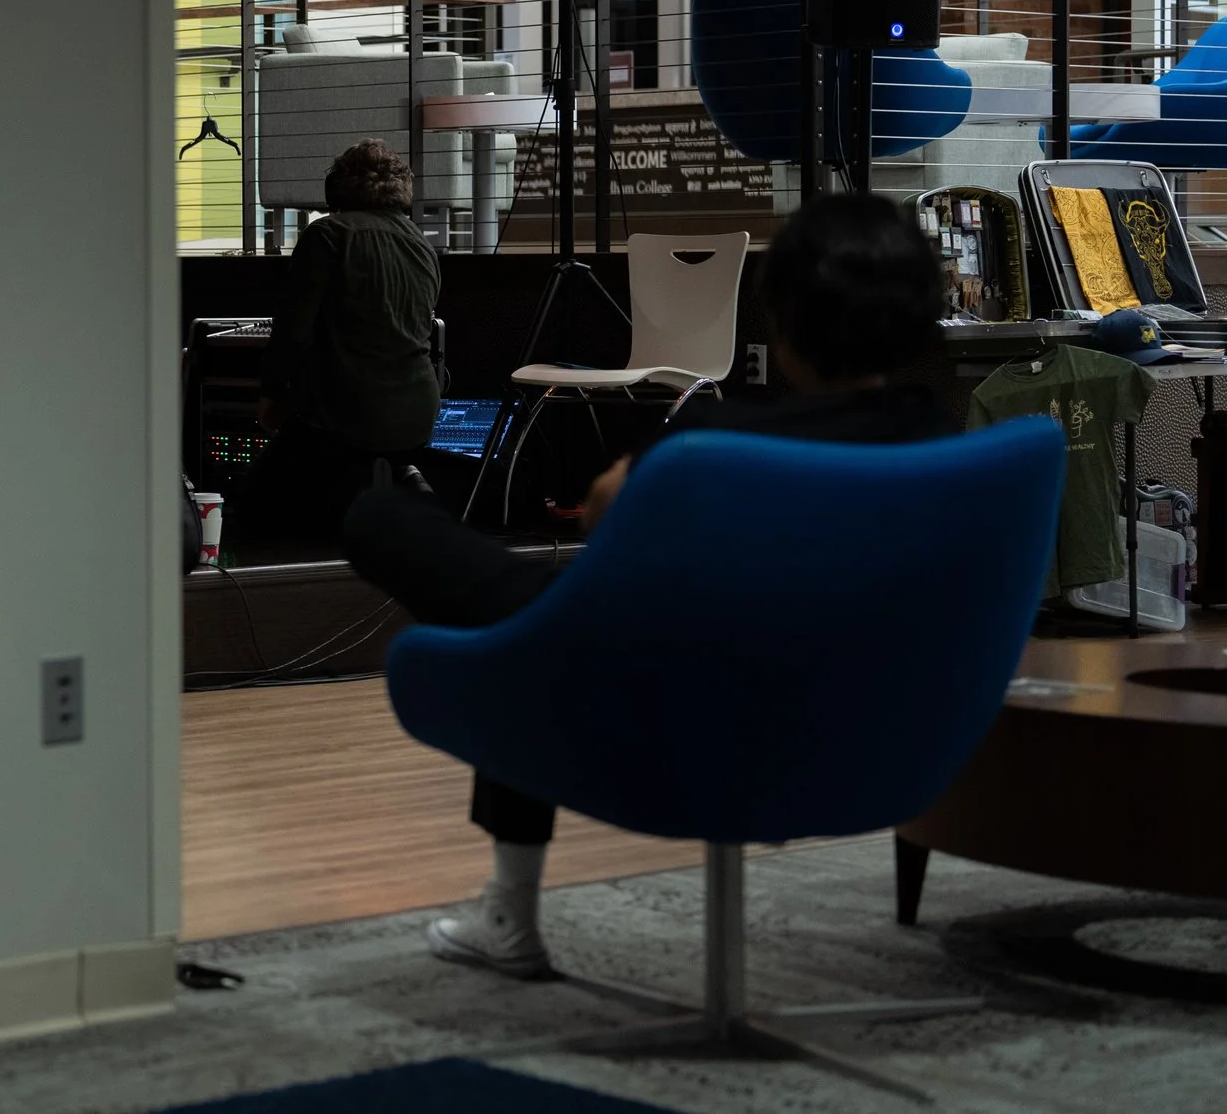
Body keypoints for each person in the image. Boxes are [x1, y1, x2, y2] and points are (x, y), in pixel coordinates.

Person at [343, 192, 955, 978]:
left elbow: (605, 513)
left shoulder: (719, 442)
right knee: (534, 614)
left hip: (672, 721)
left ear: (782, 316)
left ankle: (509, 908)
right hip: (875, 743)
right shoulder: (955, 447)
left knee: (395, 528)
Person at [251, 139, 442, 538]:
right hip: (418, 417)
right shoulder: (421, 244)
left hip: (346, 414)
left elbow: (293, 331)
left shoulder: (327, 234)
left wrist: (272, 394)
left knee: (253, 507)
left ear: (336, 187)